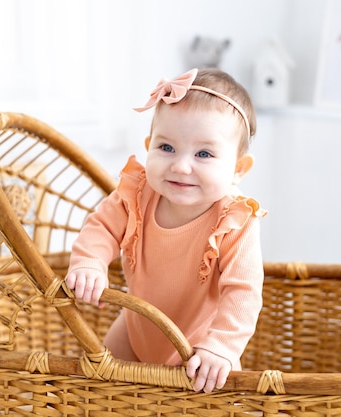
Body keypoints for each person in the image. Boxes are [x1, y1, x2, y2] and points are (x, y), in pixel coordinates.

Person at [65, 67, 266, 393]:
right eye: (166, 148)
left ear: (237, 169)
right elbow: (100, 227)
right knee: (99, 390)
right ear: (148, 147)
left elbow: (243, 292)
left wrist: (223, 347)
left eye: (204, 154)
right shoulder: (136, 193)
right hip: (133, 334)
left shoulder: (235, 219)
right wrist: (90, 263)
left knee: (222, 399)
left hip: (202, 349)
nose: (181, 165)